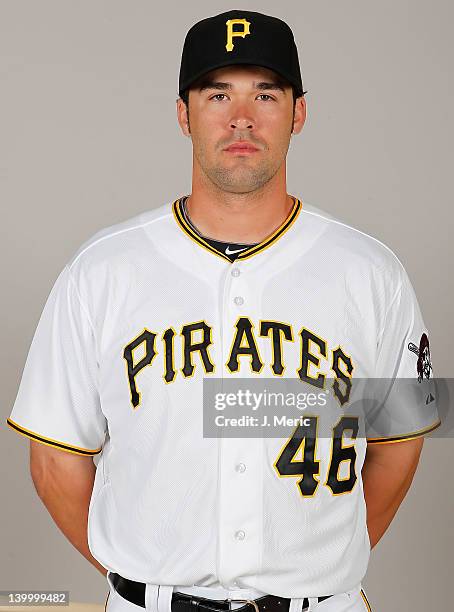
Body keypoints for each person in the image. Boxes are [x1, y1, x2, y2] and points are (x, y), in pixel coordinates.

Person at [6, 9, 440, 612]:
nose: (242, 117)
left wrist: (325, 566)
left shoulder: (374, 272)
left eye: (266, 92)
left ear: (299, 112)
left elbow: (401, 439)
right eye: (218, 93)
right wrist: (145, 579)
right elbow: (54, 459)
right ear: (184, 114)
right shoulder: (100, 270)